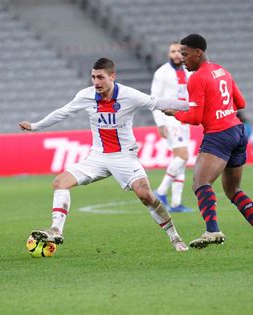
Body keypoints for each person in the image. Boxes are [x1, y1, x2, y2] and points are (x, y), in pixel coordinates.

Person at [19, 58, 190, 252]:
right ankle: (56, 229)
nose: (96, 82)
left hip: (124, 156)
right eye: (93, 77)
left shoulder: (129, 95)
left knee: (145, 195)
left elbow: (158, 102)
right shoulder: (86, 96)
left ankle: (174, 237)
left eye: (100, 77)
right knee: (60, 182)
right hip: (98, 156)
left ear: (112, 76)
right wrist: (35, 126)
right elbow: (63, 112)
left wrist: (192, 105)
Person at [163, 34, 253, 248]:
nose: (182, 58)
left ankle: (212, 231)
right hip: (238, 131)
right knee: (233, 190)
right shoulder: (221, 70)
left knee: (200, 183)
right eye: (179, 54)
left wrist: (174, 113)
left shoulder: (196, 78)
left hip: (219, 134)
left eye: (185, 54)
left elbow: (195, 118)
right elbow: (240, 102)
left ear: (199, 53)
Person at [151, 42, 193, 213]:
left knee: (181, 162)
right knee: (183, 156)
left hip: (185, 119)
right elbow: (154, 98)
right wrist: (160, 123)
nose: (176, 54)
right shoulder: (162, 73)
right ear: (169, 53)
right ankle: (160, 191)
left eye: (179, 51)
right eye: (173, 51)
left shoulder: (188, 71)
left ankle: (176, 203)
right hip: (170, 119)